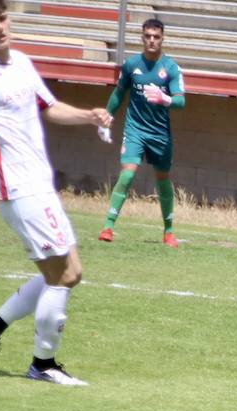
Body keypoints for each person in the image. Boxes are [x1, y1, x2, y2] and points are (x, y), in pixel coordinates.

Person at [0, 0, 112, 386]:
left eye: (2, 18)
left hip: (41, 185)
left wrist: (88, 116)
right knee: (65, 274)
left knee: (69, 272)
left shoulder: (21, 62)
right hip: (19, 190)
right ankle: (43, 364)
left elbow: (50, 107)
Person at [98, 17, 185, 247]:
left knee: (163, 178)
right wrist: (107, 117)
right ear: (142, 38)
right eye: (147, 36)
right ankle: (108, 226)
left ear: (162, 38)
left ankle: (168, 231)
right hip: (135, 129)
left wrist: (166, 99)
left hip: (160, 134)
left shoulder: (171, 68)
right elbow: (119, 93)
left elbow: (181, 100)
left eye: (156, 37)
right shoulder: (130, 65)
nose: (152, 41)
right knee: (127, 174)